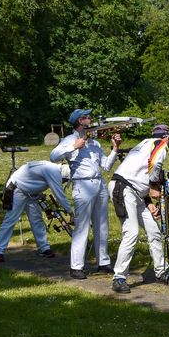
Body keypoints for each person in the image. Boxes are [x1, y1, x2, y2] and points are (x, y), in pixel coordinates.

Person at [108, 124, 169, 293]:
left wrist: (148, 202)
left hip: (133, 191)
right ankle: (119, 277)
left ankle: (161, 271)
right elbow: (154, 164)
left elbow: (138, 176)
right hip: (123, 189)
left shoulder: (145, 144)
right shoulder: (160, 144)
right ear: (167, 137)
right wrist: (154, 185)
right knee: (131, 232)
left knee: (154, 231)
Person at [50, 108, 120, 279]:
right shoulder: (69, 139)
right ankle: (76, 266)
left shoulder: (94, 143)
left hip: (99, 183)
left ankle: (103, 262)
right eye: (88, 118)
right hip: (82, 185)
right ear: (80, 121)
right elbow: (53, 156)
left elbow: (106, 166)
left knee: (102, 225)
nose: (91, 120)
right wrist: (74, 146)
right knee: (82, 227)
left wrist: (115, 148)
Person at [0, 161, 73, 262]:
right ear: (64, 176)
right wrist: (71, 213)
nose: (64, 182)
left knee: (37, 220)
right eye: (65, 180)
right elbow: (59, 195)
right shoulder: (54, 172)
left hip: (31, 193)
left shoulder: (53, 169)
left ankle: (44, 248)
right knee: (10, 220)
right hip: (17, 188)